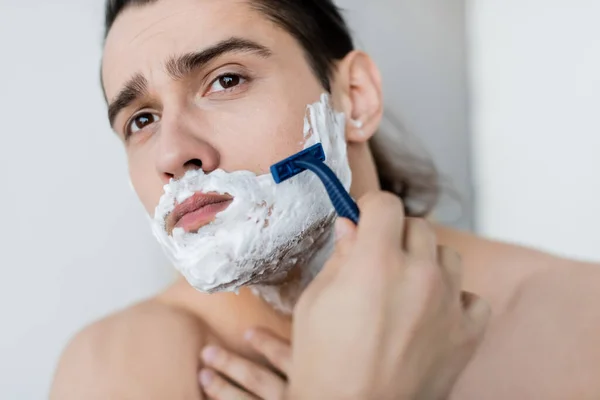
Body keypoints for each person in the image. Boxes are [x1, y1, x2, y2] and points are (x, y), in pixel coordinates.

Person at [51, 0, 600, 399]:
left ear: (354, 98)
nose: (171, 152)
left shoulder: (580, 324)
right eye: (141, 119)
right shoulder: (121, 369)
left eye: (225, 80)